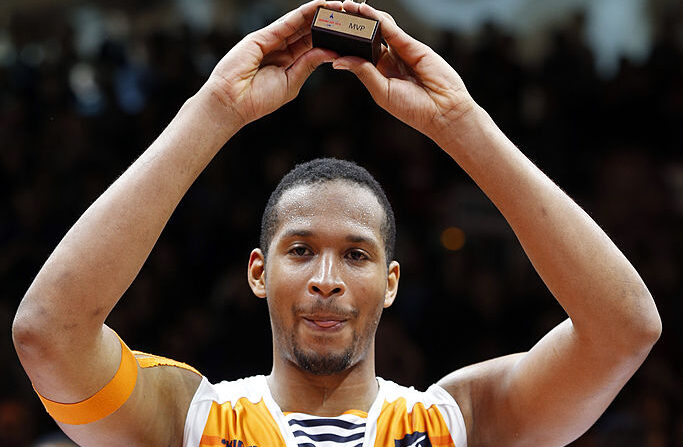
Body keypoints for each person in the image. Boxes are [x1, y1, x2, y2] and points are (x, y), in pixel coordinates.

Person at [12, 1, 661, 446]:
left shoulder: (456, 422)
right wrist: (214, 109)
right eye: (300, 250)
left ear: (391, 280)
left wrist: (458, 126)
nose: (327, 278)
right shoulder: (191, 420)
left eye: (356, 254)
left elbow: (624, 327)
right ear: (257, 272)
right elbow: (48, 331)